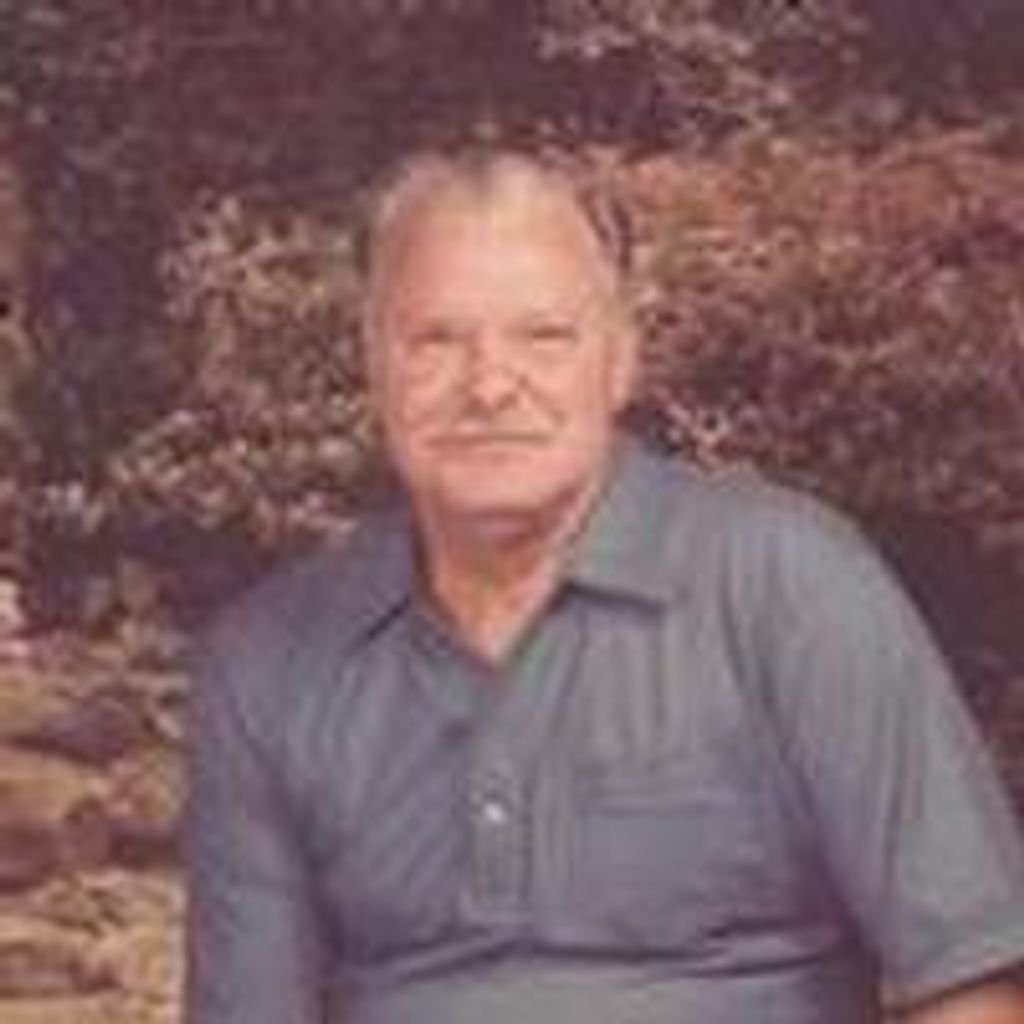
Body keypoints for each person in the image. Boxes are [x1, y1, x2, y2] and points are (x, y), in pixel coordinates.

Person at [184, 144, 1024, 1024]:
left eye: (544, 336)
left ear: (621, 359)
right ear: (373, 368)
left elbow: (971, 985)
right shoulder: (265, 661)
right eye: (435, 340)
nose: (489, 385)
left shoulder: (790, 585)